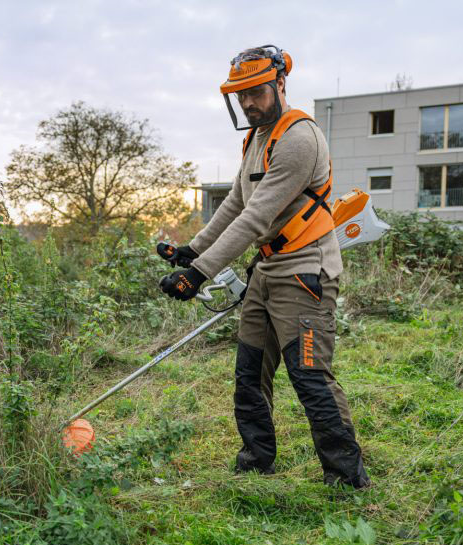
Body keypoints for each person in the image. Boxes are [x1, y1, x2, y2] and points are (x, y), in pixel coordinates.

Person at [158, 45, 370, 489]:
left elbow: (255, 218)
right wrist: (193, 251)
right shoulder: (256, 138)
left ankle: (346, 479)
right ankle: (256, 463)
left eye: (255, 92)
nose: (249, 103)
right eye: (241, 96)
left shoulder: (298, 138)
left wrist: (198, 275)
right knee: (249, 372)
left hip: (305, 273)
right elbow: (237, 202)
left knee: (309, 375)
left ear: (279, 84)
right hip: (268, 270)